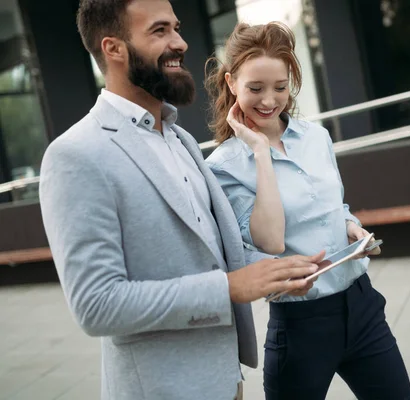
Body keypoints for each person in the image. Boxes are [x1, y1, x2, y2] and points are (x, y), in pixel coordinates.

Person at [38, 2, 323, 400]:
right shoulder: (75, 155)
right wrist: (228, 288)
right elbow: (96, 305)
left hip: (227, 381)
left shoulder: (180, 138)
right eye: (160, 31)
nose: (180, 42)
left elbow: (210, 253)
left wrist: (282, 270)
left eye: (176, 28)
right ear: (113, 48)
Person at [205, 22, 410, 400]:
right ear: (231, 82)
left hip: (362, 305)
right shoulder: (223, 166)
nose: (269, 100)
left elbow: (335, 205)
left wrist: (351, 228)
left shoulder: (316, 137)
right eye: (255, 88)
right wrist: (259, 151)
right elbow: (269, 240)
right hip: (301, 325)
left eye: (280, 88)